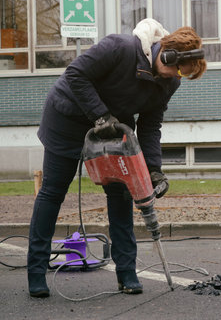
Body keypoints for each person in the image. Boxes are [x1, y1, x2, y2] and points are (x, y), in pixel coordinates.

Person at [27, 21, 207, 298]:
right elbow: (76, 74)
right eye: (177, 69)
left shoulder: (169, 82)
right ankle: (36, 273)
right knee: (53, 192)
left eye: (182, 75)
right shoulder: (119, 48)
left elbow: (150, 126)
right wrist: (99, 115)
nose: (177, 77)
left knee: (121, 195)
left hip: (113, 129)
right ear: (167, 53)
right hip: (67, 119)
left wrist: (154, 170)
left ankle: (127, 274)